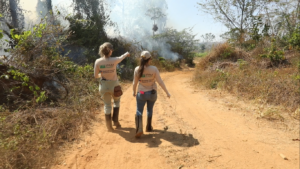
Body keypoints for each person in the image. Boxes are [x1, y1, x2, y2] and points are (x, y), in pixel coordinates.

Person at [133, 51, 171, 138]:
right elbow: (160, 82)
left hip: (141, 93)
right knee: (149, 109)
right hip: (152, 93)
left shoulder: (137, 69)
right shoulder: (154, 69)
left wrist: (134, 91)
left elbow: (134, 83)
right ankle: (149, 127)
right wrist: (167, 92)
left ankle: (139, 128)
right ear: (149, 59)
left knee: (139, 110)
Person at [94, 42, 130, 131]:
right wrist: (127, 53)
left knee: (107, 105)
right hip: (114, 85)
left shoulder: (98, 61)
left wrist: (101, 74)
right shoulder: (114, 60)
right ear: (110, 51)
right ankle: (116, 122)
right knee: (116, 102)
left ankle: (109, 127)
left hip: (103, 86)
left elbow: (95, 76)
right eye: (112, 50)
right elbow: (122, 57)